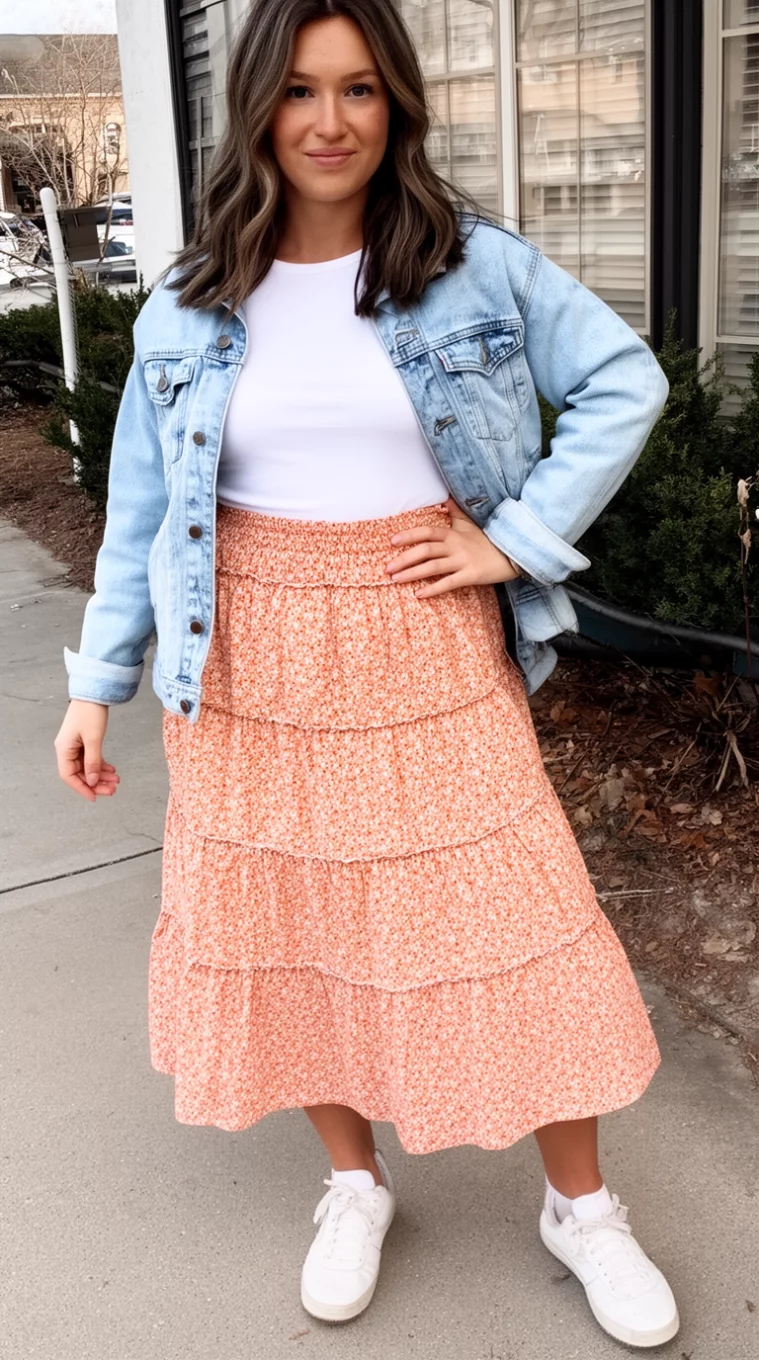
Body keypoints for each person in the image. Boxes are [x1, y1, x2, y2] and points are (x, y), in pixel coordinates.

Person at [54, 0, 679, 1346]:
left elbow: (623, 381)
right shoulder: (187, 303)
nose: (327, 123)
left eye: (356, 91)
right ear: (256, 111)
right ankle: (352, 1181)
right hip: (247, 658)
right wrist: (97, 678)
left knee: (517, 928)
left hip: (421, 640)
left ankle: (579, 1209)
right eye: (297, 92)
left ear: (394, 104)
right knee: (288, 935)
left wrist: (509, 539)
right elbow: (144, 507)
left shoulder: (472, 267)